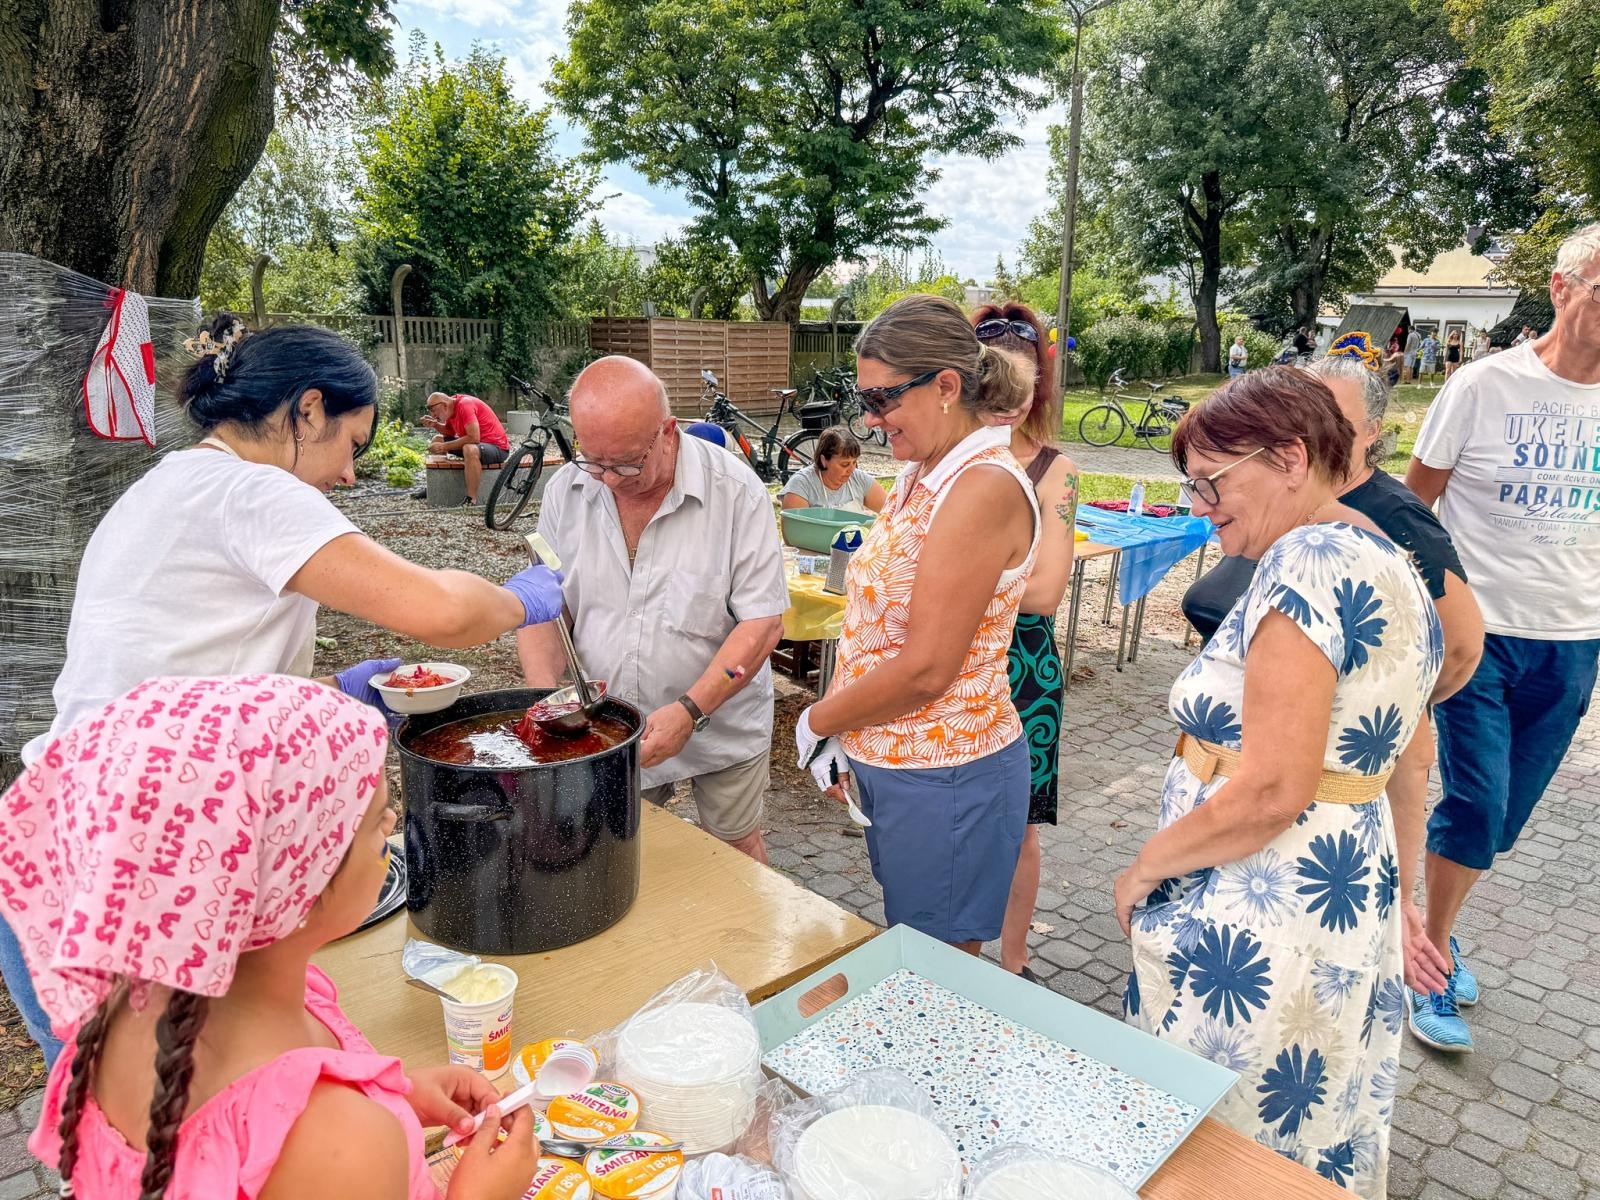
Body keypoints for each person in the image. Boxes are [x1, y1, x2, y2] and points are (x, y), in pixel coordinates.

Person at [0, 316, 564, 1067]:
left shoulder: (171, 483)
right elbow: (442, 612)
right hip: (134, 867)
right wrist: (521, 599)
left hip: (67, 849)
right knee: (171, 1140)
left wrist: (341, 688)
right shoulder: (252, 490)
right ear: (305, 410)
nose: (350, 474)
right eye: (351, 444)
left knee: (135, 1137)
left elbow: (189, 681)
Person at [3, 675, 540, 1200]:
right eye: (377, 823)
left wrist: (393, 1097)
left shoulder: (125, 1007)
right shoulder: (340, 1144)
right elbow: (318, 1151)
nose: (394, 821)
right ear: (297, 885)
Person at [1116, 368, 1442, 1197]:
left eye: (1212, 482)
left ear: (1291, 457)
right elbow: (1411, 741)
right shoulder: (1383, 551)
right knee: (1300, 1129)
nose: (1201, 504)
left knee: (1217, 1144)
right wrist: (1403, 890)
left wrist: (1146, 866)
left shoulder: (1308, 558)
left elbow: (1270, 790)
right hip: (1338, 894)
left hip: (1264, 906)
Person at [1404, 222, 1600, 1053]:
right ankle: (1432, 955)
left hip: (1576, 635)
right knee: (1478, 800)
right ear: (1562, 290)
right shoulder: (1483, 387)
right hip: (1479, 635)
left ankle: (1432, 926)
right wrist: (1432, 613)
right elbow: (1416, 507)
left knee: (1503, 814)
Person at [794, 294, 1040, 954]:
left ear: (947, 387)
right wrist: (851, 727)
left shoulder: (981, 486)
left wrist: (822, 719)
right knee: (915, 943)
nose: (871, 422)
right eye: (864, 399)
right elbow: (879, 624)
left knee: (939, 972)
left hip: (946, 772)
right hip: (900, 763)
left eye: (883, 400)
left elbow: (929, 666)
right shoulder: (922, 471)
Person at [518, 357, 788, 864]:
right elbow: (545, 610)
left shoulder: (735, 492)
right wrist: (549, 702)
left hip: (721, 719)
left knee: (734, 847)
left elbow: (763, 622)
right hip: (607, 725)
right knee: (614, 849)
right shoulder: (566, 490)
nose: (608, 481)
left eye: (625, 463)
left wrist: (692, 709)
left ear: (667, 432)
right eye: (592, 460)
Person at [1306, 356, 1486, 999]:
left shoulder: (1394, 513)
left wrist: (1389, 704)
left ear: (1373, 431)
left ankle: (1413, 971)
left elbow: (1463, 645)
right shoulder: (1300, 493)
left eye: (1334, 421)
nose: (1313, 435)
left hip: (1359, 770)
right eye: (1303, 415)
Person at [970, 303, 1079, 980]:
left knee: (1015, 829)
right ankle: (952, 954)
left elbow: (1044, 594)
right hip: (949, 665)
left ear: (1041, 385)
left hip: (1019, 671)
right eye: (995, 381)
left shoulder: (1054, 471)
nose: (1008, 400)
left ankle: (1012, 966)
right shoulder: (935, 462)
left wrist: (954, 587)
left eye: (1026, 379)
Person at [424, 391, 512, 505]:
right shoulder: (451, 409)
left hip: (497, 448)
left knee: (469, 449)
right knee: (437, 439)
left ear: (444, 405)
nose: (433, 416)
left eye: (433, 411)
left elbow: (474, 438)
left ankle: (471, 499)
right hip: (478, 446)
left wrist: (444, 447)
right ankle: (434, 487)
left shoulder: (465, 405)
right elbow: (449, 432)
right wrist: (435, 425)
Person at [778, 425, 888, 514]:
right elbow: (794, 535)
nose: (851, 470)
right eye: (844, 464)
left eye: (854, 462)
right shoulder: (801, 485)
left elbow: (892, 511)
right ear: (824, 460)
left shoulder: (860, 480)